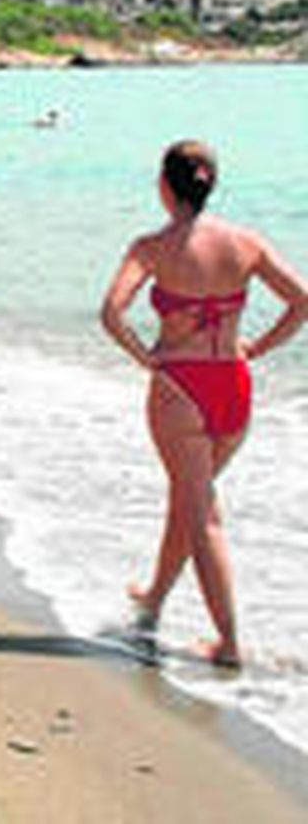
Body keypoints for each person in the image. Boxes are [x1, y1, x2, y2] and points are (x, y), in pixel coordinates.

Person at [100, 139, 307, 667]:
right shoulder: (246, 243)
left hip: (181, 389)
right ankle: (153, 601)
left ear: (165, 186)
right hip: (233, 387)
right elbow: (303, 300)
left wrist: (148, 359)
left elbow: (111, 313)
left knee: (201, 513)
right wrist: (258, 348)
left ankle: (228, 643)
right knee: (189, 502)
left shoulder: (151, 247)